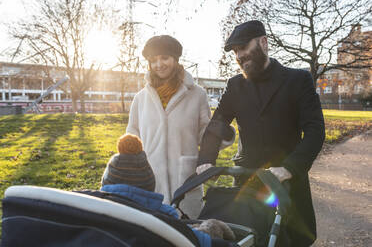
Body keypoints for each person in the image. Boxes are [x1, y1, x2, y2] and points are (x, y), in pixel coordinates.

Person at [196, 20, 325, 246]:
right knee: (248, 237)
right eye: (236, 51)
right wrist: (206, 160)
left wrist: (290, 168)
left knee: (290, 239)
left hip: (286, 180)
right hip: (248, 179)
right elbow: (217, 124)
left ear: (264, 43)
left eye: (244, 48)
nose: (240, 55)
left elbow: (315, 130)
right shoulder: (235, 85)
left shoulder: (297, 80)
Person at [126, 35, 230, 219]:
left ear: (175, 59)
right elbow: (132, 137)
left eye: (164, 58)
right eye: (153, 60)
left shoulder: (197, 95)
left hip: (186, 183)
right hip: (151, 184)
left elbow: (204, 134)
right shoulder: (140, 99)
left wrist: (223, 134)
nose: (159, 64)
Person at [101, 134, 234, 247]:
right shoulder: (162, 220)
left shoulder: (92, 211)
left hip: (183, 177)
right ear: (149, 183)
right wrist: (212, 228)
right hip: (164, 214)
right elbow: (196, 240)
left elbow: (207, 134)